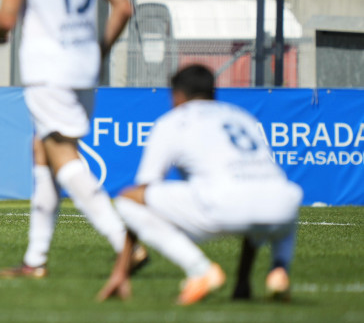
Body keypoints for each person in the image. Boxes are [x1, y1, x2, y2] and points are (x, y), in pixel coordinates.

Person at [0, 0, 139, 278]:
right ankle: (35, 260)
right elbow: (123, 7)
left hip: (47, 68)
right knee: (43, 149)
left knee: (60, 153)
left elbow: (6, 18)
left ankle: (123, 241)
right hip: (83, 64)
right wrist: (100, 50)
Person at [97, 64, 303, 305]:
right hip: (283, 208)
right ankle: (279, 269)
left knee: (129, 200)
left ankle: (200, 270)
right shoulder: (241, 116)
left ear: (177, 95)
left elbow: (143, 192)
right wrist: (243, 282)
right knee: (270, 193)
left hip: (224, 205)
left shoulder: (173, 121)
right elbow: (256, 187)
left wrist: (121, 270)